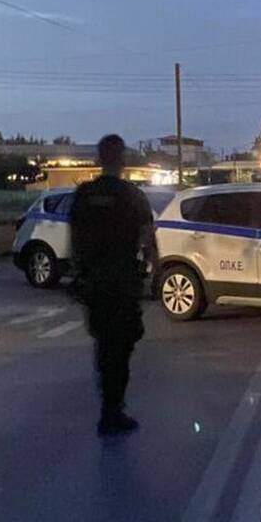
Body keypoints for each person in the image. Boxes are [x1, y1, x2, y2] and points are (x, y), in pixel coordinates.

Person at [70, 134, 158, 437]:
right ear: (122, 160)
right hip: (122, 283)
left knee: (104, 343)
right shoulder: (131, 195)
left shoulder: (84, 195)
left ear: (99, 158)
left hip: (95, 283)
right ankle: (113, 409)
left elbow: (75, 240)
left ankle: (109, 406)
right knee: (122, 344)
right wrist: (151, 272)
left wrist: (80, 275)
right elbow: (147, 236)